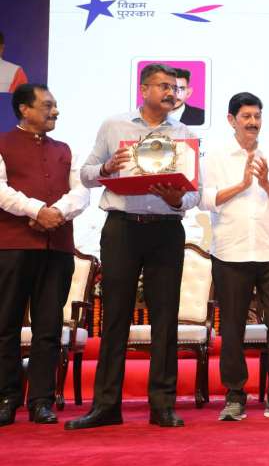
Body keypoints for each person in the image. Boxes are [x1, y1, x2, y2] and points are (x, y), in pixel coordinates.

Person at [66, 64, 199, 430]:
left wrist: (177, 199)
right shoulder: (114, 126)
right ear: (144, 90)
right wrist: (107, 168)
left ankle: (162, 405)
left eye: (175, 88)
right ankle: (106, 406)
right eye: (164, 86)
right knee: (115, 318)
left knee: (165, 319)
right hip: (122, 229)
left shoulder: (185, 134)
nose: (171, 93)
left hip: (166, 231)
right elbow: (86, 174)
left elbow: (195, 195)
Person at [199, 92, 269, 422]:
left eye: (257, 116)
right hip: (231, 252)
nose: (253, 122)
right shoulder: (214, 156)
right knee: (231, 326)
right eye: (246, 116)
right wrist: (242, 185)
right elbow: (206, 200)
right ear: (232, 120)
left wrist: (265, 182)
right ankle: (234, 396)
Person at [0, 84, 88, 426]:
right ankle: (6, 398)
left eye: (55, 105)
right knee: (5, 325)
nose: (55, 111)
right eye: (48, 105)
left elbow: (81, 192)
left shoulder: (65, 149)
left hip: (57, 247)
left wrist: (56, 213)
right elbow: (1, 190)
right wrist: (36, 211)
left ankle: (41, 400)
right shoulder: (3, 143)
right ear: (24, 109)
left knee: (48, 327)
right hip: (13, 246)